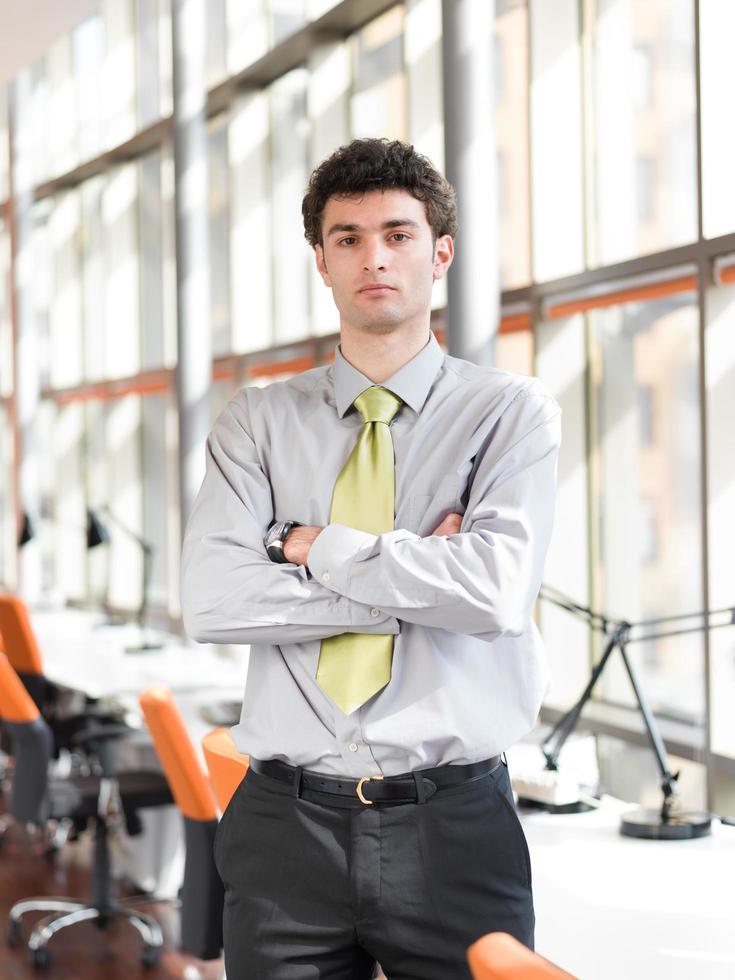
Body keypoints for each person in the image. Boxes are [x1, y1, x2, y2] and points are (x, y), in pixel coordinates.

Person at [181, 137, 561, 980]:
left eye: (397, 232)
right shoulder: (256, 422)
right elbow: (212, 602)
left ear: (440, 252)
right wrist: (418, 579)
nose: (373, 256)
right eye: (347, 237)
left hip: (453, 826)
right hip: (285, 824)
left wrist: (313, 548)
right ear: (320, 261)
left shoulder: (510, 413)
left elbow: (495, 592)